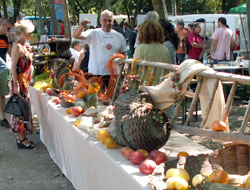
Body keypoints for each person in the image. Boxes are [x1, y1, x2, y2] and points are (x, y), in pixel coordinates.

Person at [73, 10, 127, 87]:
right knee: (94, 97)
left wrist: (122, 68)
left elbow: (123, 54)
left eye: (110, 20)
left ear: (113, 21)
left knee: (110, 98)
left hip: (112, 74)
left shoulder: (119, 36)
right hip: (95, 73)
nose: (107, 23)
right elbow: (76, 36)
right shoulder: (93, 33)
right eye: (105, 20)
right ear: (100, 21)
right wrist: (81, 25)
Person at [11, 20, 35, 149]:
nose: (30, 35)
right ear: (23, 33)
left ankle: (22, 137)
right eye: (29, 33)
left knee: (24, 109)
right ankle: (21, 139)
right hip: (20, 82)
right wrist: (16, 85)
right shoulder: (17, 47)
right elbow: (13, 67)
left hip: (24, 82)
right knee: (20, 111)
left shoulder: (24, 45)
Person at [0, 19, 13, 128]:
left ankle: (3, 118)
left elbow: (11, 54)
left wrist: (10, 41)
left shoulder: (6, 38)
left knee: (2, 94)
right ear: (3, 25)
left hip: (2, 68)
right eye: (8, 29)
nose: (9, 31)